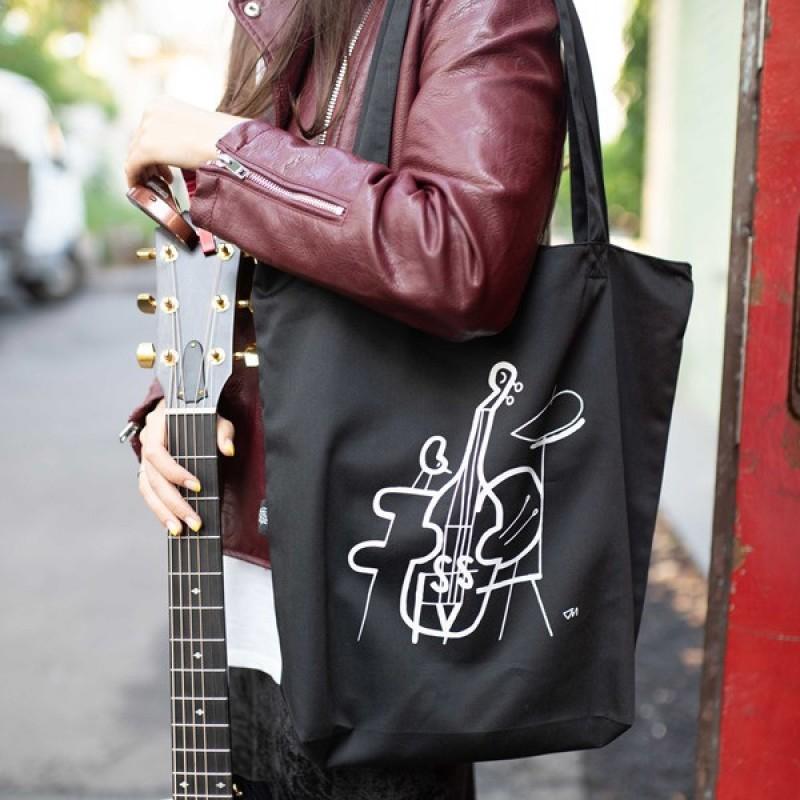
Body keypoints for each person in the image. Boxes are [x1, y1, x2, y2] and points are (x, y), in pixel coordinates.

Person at [123, 0, 567, 796]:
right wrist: (177, 401)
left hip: (373, 593)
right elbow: (259, 256)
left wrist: (226, 148)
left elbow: (461, 254)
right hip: (240, 586)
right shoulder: (277, 16)